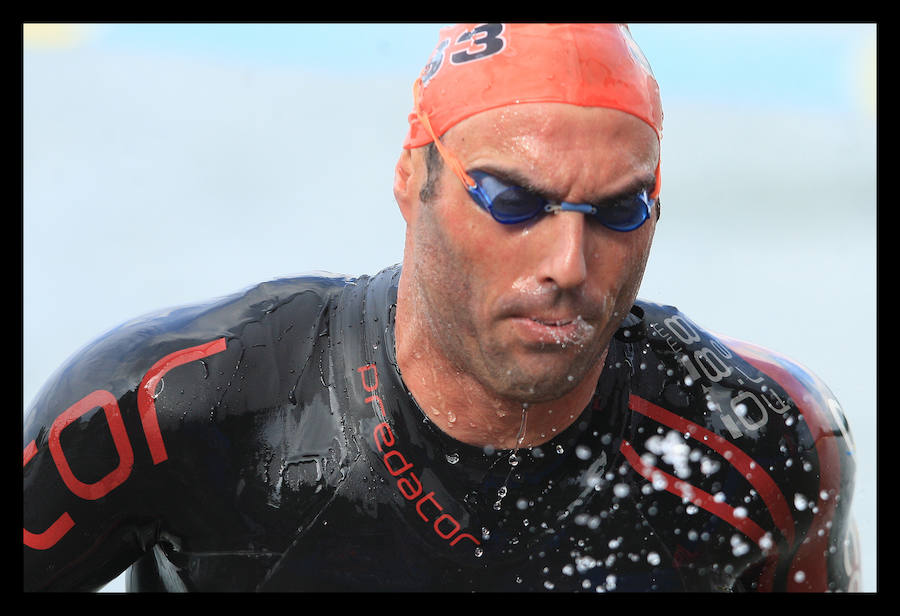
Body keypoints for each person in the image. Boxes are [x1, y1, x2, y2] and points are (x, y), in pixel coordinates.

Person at [23, 23, 859, 592]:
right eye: (512, 200)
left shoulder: (759, 449)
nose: (568, 265)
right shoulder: (173, 413)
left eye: (618, 209)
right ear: (410, 178)